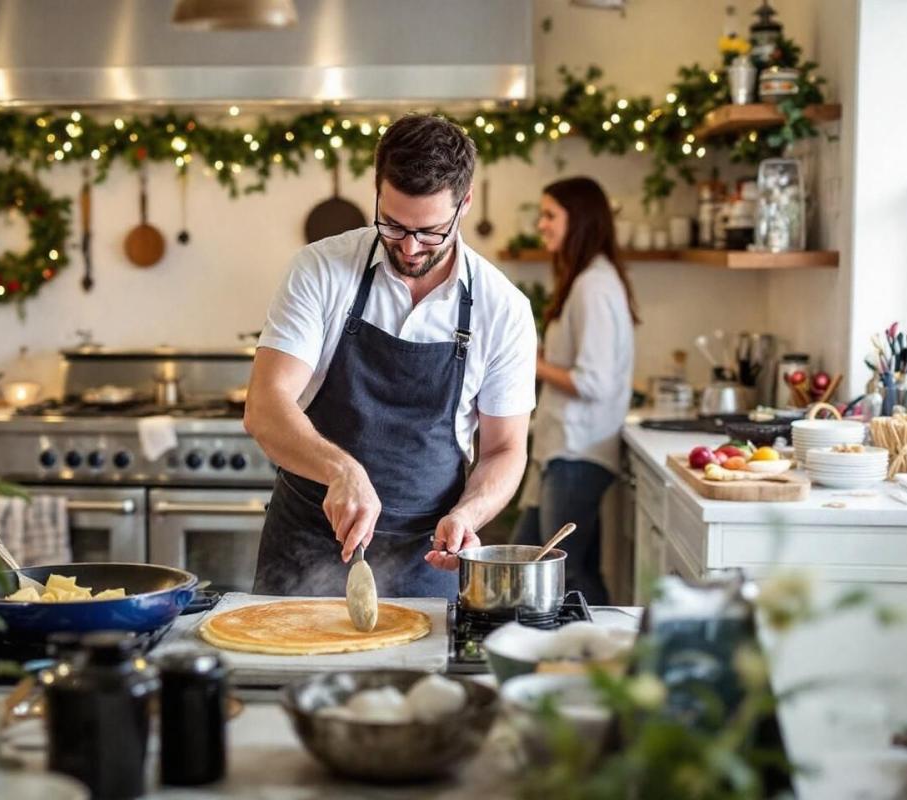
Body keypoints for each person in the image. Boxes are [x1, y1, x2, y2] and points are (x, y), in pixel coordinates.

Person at [244, 114, 537, 600]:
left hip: (424, 560)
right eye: (392, 224)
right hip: (307, 544)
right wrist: (343, 471)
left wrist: (467, 515)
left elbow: (505, 449)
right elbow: (265, 405)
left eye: (429, 232)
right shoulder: (321, 271)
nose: (408, 246)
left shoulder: (502, 308)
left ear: (464, 204)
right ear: (377, 190)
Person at [512, 176, 638, 604]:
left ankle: (601, 658)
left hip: (578, 451)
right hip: (560, 448)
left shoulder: (593, 286)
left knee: (566, 574)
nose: (541, 224)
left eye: (550, 215)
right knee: (528, 563)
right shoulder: (584, 279)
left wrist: (531, 362)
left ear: (579, 219)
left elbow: (594, 380)